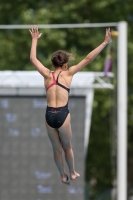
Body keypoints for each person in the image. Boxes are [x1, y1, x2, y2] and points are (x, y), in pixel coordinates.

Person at [29, 25, 111, 185]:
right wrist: (104, 43)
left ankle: (62, 175)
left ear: (53, 64)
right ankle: (72, 172)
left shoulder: (46, 74)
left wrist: (34, 40)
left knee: (56, 149)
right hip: (62, 115)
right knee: (67, 147)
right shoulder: (69, 73)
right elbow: (88, 59)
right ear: (65, 64)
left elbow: (33, 59)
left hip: (49, 116)